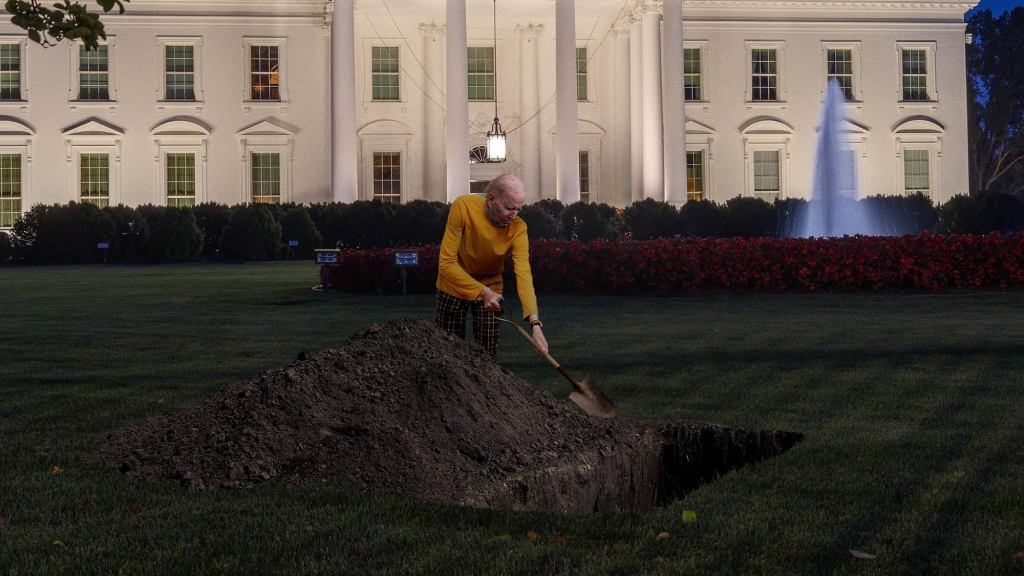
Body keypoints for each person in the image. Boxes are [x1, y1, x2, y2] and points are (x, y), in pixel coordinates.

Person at [435, 174, 548, 358]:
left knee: (487, 358)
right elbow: (446, 264)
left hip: (492, 289)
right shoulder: (463, 206)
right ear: (491, 199)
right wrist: (482, 291)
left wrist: (535, 324)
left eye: (518, 210)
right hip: (454, 285)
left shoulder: (519, 228)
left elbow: (523, 273)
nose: (514, 216)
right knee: (448, 353)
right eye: (509, 208)